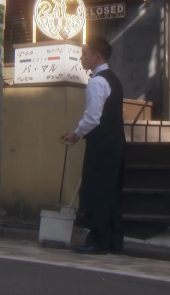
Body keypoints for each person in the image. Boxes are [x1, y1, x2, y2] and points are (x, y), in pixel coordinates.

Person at [62, 35, 125, 254]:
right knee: (111, 191)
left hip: (101, 145)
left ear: (97, 58)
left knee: (96, 189)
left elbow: (92, 118)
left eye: (84, 53)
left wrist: (76, 134)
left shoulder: (97, 82)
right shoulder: (113, 79)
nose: (81, 58)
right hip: (115, 143)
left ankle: (98, 241)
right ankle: (114, 241)